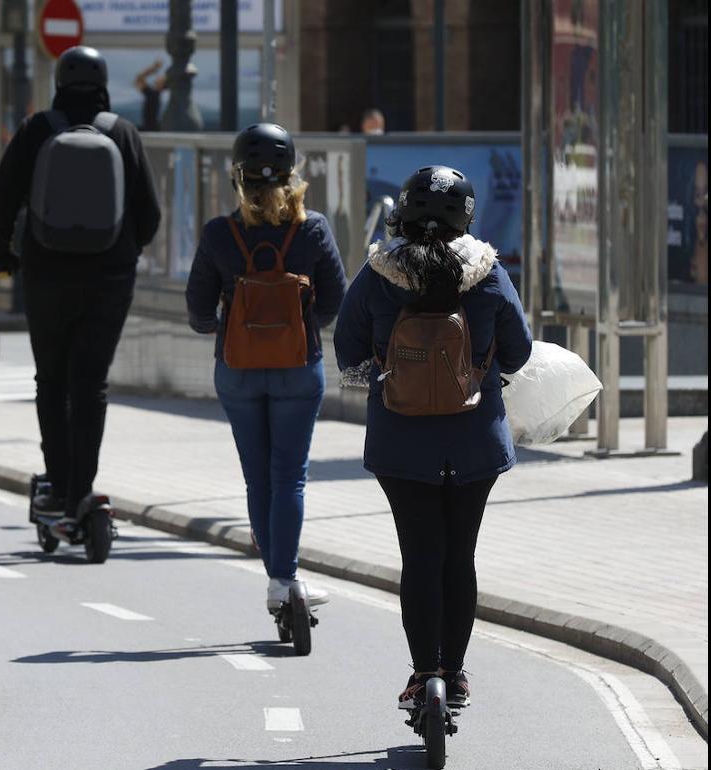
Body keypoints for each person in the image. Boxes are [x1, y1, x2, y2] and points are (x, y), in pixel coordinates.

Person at [333, 166, 532, 710]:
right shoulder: (489, 274)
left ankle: (423, 677)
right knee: (459, 555)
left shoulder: (378, 273)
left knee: (419, 555)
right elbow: (518, 353)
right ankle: (457, 673)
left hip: (402, 444)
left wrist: (383, 377)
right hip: (475, 443)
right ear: (466, 215)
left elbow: (347, 355)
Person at [0, 46, 161, 525]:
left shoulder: (37, 130)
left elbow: (2, 195)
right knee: (91, 383)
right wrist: (125, 251)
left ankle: (58, 486)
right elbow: (150, 213)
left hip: (46, 274)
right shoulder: (123, 132)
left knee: (52, 380)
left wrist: (2, 251)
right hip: (110, 278)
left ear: (59, 83)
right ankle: (82, 491)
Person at [185, 123, 347, 612]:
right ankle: (284, 580)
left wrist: (232, 325)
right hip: (300, 369)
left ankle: (278, 579)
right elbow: (335, 299)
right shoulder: (313, 228)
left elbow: (196, 313)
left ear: (238, 177)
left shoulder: (219, 233)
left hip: (236, 371)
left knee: (258, 478)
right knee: (289, 477)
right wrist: (296, 326)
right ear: (291, 174)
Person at [133, 58, 168, 132]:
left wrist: (154, 68)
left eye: (162, 78)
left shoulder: (153, 94)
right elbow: (138, 79)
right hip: (152, 128)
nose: (160, 77)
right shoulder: (155, 94)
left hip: (148, 129)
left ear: (162, 84)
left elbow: (139, 78)